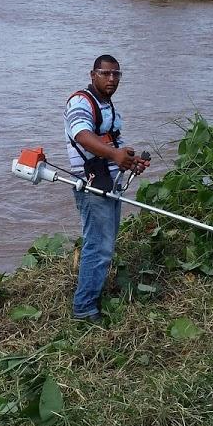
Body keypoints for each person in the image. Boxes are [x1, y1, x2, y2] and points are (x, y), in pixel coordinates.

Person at [65, 54, 149, 324]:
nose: (111, 78)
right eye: (105, 73)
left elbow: (114, 142)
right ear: (93, 75)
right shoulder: (81, 101)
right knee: (98, 247)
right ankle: (85, 308)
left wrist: (130, 161)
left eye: (116, 74)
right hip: (93, 186)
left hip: (110, 183)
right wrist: (115, 156)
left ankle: (91, 298)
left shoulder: (107, 106)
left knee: (105, 245)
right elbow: (81, 134)